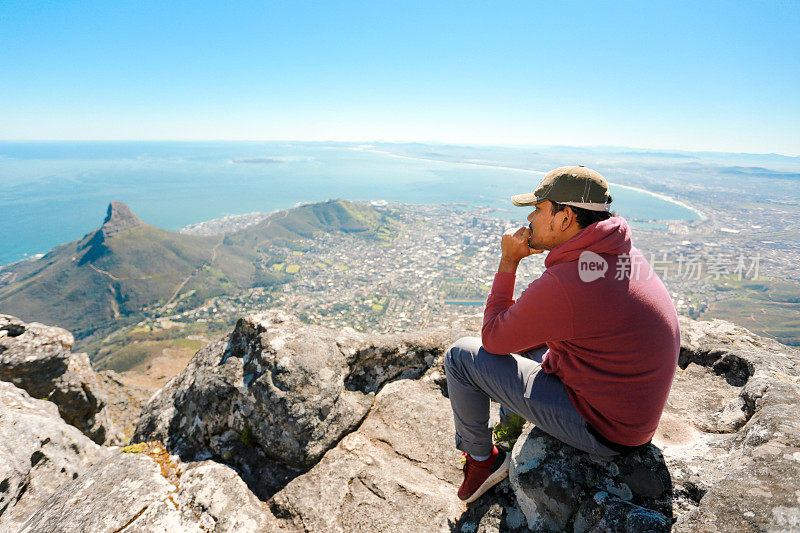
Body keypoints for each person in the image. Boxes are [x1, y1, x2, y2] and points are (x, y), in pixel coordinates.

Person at [444, 165, 680, 503]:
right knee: (528, 339)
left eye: (538, 209)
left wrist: (509, 261)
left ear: (565, 217)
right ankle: (510, 428)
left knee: (460, 357)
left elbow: (494, 337)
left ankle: (483, 462)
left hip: (604, 429)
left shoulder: (569, 282)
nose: (530, 219)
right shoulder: (617, 252)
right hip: (629, 410)